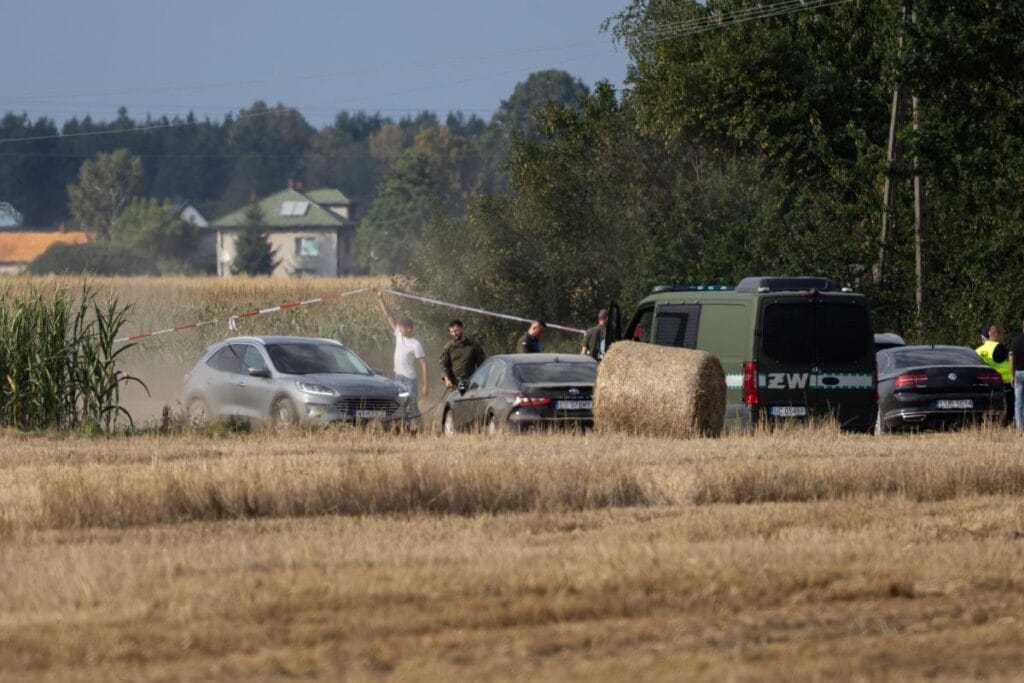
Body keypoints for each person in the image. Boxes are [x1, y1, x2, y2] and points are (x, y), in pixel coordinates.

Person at [373, 289, 428, 422]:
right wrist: (380, 299)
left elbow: (424, 364)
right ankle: (404, 427)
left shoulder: (416, 344)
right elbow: (389, 316)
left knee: (412, 406)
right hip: (398, 378)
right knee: (399, 405)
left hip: (410, 380)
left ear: (410, 328)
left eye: (403, 327)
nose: (400, 329)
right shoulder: (398, 334)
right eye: (400, 327)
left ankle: (418, 427)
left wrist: (426, 384)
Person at [977, 324, 1013, 425]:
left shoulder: (977, 351)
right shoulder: (1000, 347)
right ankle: (1009, 423)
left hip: (986, 383)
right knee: (1010, 406)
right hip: (1005, 381)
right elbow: (1011, 360)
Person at [440, 319, 487, 390]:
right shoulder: (448, 347)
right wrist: (447, 379)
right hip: (454, 384)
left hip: (471, 382)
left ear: (462, 329)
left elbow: (482, 364)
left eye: (456, 331)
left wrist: (481, 380)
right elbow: (444, 365)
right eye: (451, 332)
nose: (454, 334)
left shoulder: (473, 345)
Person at [1010, 321, 1024, 431]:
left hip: (1018, 373)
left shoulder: (1015, 341)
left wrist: (1012, 375)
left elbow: (1011, 359)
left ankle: (1019, 428)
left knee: (1018, 402)